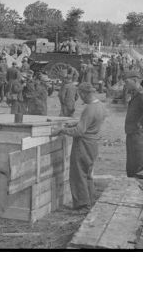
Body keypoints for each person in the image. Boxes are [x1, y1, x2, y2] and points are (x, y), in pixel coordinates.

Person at [53, 82, 106, 211]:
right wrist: (75, 124)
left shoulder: (89, 109)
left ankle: (81, 204)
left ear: (83, 93)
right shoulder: (100, 106)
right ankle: (90, 200)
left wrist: (62, 130)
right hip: (93, 143)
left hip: (83, 144)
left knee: (78, 174)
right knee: (87, 173)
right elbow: (88, 124)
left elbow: (79, 131)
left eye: (80, 94)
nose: (80, 97)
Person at [124, 70, 143, 176]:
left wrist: (141, 123)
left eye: (127, 82)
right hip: (133, 135)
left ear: (134, 80)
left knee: (139, 167)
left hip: (139, 137)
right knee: (131, 167)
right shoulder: (135, 94)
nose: (125, 84)